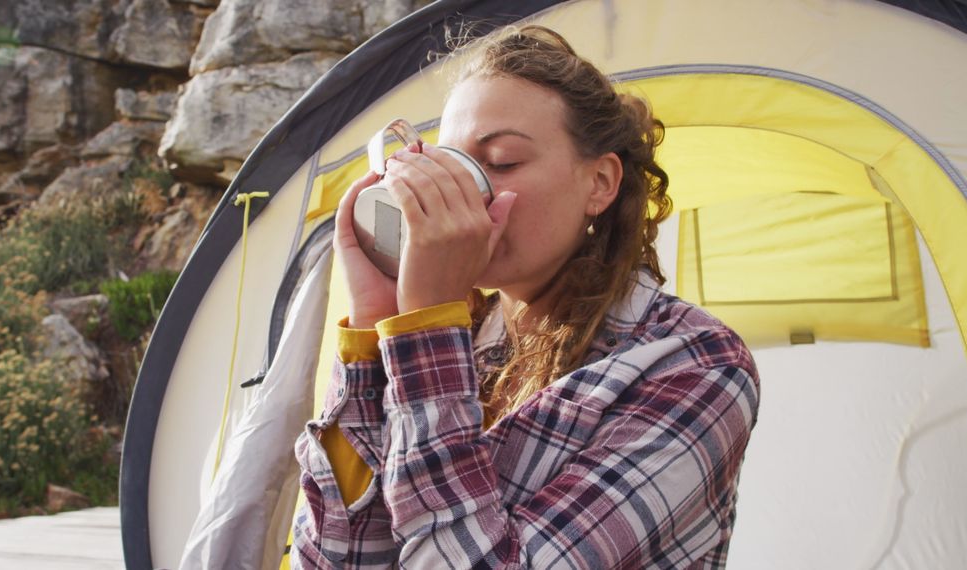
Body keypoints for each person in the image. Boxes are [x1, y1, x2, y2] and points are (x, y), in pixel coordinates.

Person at [291, 25, 760, 569]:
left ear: (600, 183)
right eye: (452, 164)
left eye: (502, 162)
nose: (466, 191)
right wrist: (377, 323)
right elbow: (339, 559)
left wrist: (426, 334)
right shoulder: (451, 332)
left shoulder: (692, 363)